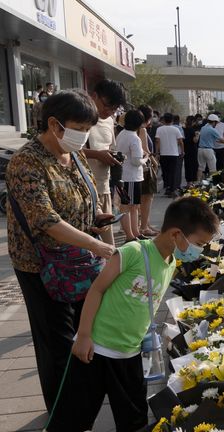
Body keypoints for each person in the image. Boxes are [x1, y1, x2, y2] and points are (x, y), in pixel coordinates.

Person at [5, 90, 115, 425]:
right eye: (79, 126)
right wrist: (96, 246)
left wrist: (97, 219)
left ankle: (83, 400)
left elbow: (82, 198)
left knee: (88, 331)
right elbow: (46, 220)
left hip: (78, 261)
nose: (84, 134)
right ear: (54, 125)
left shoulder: (74, 154)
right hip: (42, 266)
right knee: (57, 342)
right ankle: (63, 412)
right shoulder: (26, 162)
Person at [63, 197, 218, 431]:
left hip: (130, 353)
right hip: (97, 349)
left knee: (134, 419)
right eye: (199, 244)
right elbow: (97, 289)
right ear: (176, 234)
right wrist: (84, 334)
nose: (200, 251)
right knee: (76, 417)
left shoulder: (171, 264)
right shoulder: (133, 252)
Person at [84, 79, 127, 246]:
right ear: (94, 96)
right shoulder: (81, 118)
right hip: (84, 190)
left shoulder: (109, 120)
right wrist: (96, 154)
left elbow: (109, 147)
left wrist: (110, 156)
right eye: (107, 106)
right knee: (91, 247)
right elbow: (68, 150)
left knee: (108, 247)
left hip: (103, 187)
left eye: (114, 109)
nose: (109, 111)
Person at [116, 110, 147, 243]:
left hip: (123, 175)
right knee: (129, 207)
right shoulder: (134, 138)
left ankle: (135, 233)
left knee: (131, 206)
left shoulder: (122, 133)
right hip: (132, 176)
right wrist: (145, 159)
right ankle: (130, 235)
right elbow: (136, 161)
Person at [138, 105, 159, 237]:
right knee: (147, 197)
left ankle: (146, 223)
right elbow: (145, 149)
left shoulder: (132, 129)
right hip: (145, 167)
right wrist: (155, 162)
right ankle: (144, 227)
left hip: (139, 167)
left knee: (142, 198)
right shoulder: (142, 130)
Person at [155, 113, 185, 197]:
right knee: (173, 172)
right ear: (172, 120)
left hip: (163, 154)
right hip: (174, 154)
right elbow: (180, 141)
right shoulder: (176, 129)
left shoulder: (159, 129)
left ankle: (168, 187)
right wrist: (182, 151)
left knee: (165, 172)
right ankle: (172, 189)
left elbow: (157, 141)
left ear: (164, 120)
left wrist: (157, 152)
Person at [198, 114, 224, 179]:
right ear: (214, 122)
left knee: (201, 168)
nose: (216, 124)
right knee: (213, 169)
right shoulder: (212, 130)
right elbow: (221, 139)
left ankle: (198, 183)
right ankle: (213, 184)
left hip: (200, 149)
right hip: (208, 150)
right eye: (216, 123)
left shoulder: (203, 128)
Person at [183, 115, 199, 183]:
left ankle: (188, 182)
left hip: (185, 150)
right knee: (193, 166)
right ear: (193, 121)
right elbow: (195, 140)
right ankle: (192, 182)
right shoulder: (192, 130)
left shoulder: (183, 129)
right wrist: (197, 135)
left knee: (187, 166)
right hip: (192, 150)